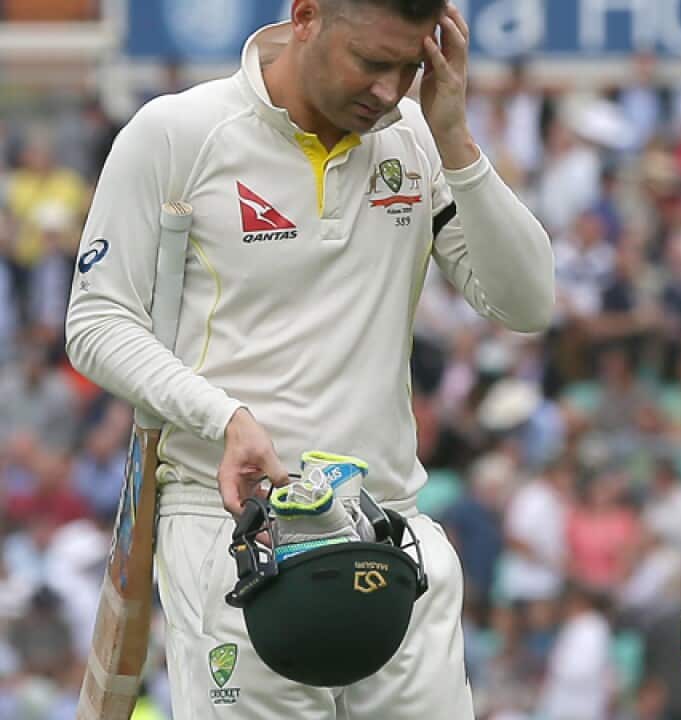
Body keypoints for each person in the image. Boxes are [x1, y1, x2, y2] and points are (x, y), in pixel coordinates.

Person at [64, 0, 554, 717]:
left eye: (410, 66)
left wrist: (454, 137)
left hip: (390, 534)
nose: (389, 90)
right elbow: (97, 320)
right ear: (305, 17)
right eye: (372, 62)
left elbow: (527, 304)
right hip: (239, 537)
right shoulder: (178, 133)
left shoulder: (416, 138)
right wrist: (223, 415)